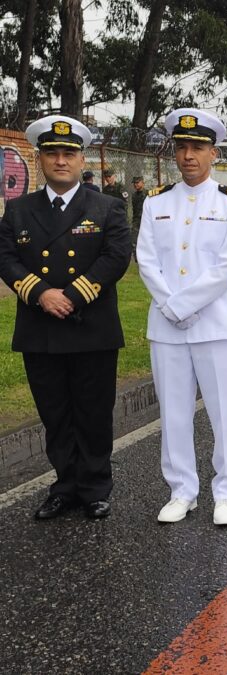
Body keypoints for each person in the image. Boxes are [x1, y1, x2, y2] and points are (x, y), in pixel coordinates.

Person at [0, 115, 130, 520]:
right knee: (54, 414)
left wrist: (73, 295)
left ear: (80, 159)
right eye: (52, 153)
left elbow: (116, 257)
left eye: (68, 153)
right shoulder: (18, 210)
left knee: (92, 411)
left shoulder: (107, 206)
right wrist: (40, 293)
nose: (60, 160)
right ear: (39, 159)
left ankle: (94, 488)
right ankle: (64, 486)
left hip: (90, 325)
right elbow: (5, 257)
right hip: (41, 327)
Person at [137, 108, 227, 526]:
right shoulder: (155, 203)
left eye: (197, 147)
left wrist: (181, 305)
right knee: (174, 413)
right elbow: (146, 260)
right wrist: (169, 305)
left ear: (213, 153)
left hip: (217, 325)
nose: (189, 155)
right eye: (182, 147)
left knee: (225, 412)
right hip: (166, 328)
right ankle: (182, 490)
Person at [131, 176, 147, 256]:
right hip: (137, 221)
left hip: (146, 220)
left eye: (137, 183)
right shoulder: (134, 195)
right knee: (134, 240)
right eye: (134, 183)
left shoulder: (148, 193)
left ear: (142, 182)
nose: (135, 185)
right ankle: (137, 257)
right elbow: (134, 210)